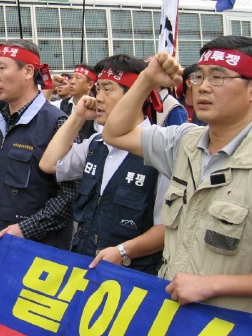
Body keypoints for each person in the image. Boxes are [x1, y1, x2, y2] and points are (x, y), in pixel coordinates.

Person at [100, 36, 252, 318]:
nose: (202, 86)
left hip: (233, 332)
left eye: (218, 77)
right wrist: (148, 78)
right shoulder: (184, 142)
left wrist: (212, 285)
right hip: (173, 316)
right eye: (198, 76)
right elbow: (114, 133)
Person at [39, 55, 167, 273]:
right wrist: (78, 116)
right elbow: (49, 164)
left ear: (135, 95)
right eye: (97, 89)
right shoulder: (96, 144)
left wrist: (123, 251)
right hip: (85, 263)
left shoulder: (159, 150)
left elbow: (166, 227)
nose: (98, 98)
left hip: (130, 274)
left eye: (107, 90)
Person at [0, 39, 78, 250]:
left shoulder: (57, 123)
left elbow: (71, 194)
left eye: (2, 68)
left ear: (28, 71)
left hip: (38, 251)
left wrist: (25, 229)